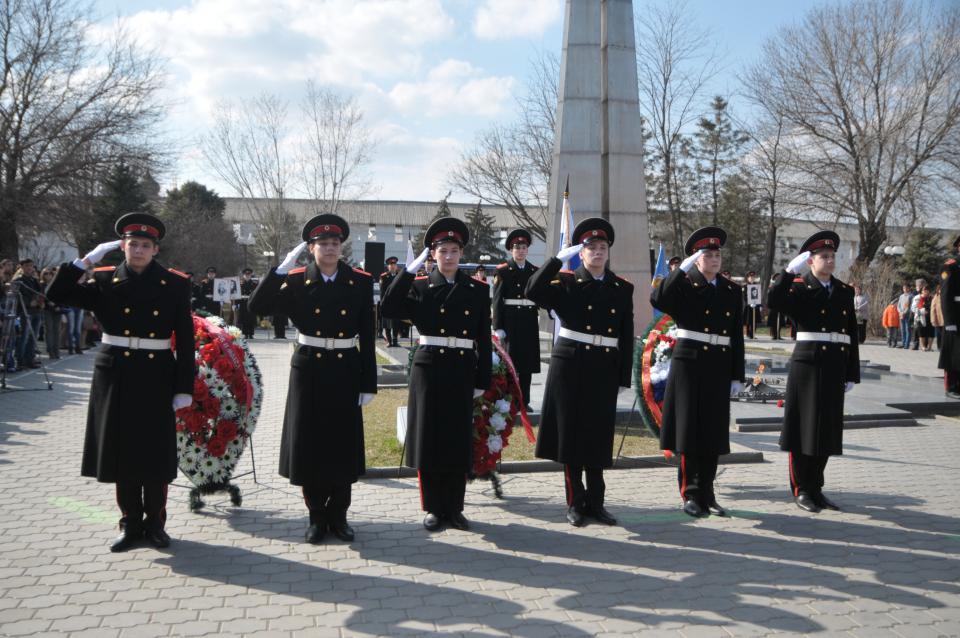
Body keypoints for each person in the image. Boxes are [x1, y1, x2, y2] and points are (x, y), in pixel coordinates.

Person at [44, 212, 195, 551]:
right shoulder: (103, 279)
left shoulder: (174, 283)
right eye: (132, 244)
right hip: (115, 373)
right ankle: (130, 523)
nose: (138, 250)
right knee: (121, 451)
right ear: (122, 247)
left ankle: (155, 523)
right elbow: (57, 294)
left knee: (154, 453)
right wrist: (85, 262)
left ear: (155, 249)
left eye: (145, 245)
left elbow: (186, 340)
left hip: (156, 373)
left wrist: (184, 386)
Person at [248, 214, 376, 543]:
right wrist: (278, 270)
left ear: (341, 247)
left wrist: (368, 383)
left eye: (335, 243)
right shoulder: (296, 280)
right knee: (310, 444)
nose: (330, 248)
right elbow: (257, 306)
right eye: (323, 244)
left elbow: (367, 334)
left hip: (345, 368)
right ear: (311, 248)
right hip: (309, 369)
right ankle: (317, 516)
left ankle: (340, 515)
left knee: (342, 444)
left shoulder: (359, 281)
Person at [380, 217, 491, 532]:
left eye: (454, 250)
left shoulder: (477, 289)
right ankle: (432, 507)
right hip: (429, 367)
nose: (449, 256)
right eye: (443, 251)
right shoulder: (419, 286)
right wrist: (407, 272)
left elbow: (483, 337)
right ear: (433, 254)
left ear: (461, 253)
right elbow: (388, 308)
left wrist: (482, 378)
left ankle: (454, 508)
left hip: (461, 367)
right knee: (428, 437)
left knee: (456, 438)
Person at [526, 218, 634, 527]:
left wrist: (623, 376)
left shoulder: (621, 287)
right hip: (571, 364)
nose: (598, 252)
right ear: (581, 253)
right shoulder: (565, 282)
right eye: (591, 247)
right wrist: (555, 261)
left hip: (604, 365)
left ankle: (597, 504)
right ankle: (575, 501)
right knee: (570, 434)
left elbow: (626, 334)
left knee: (598, 435)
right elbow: (531, 290)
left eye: (602, 247)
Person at [651, 227, 745, 517]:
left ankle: (708, 492)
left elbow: (736, 336)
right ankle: (690, 493)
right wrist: (681, 270)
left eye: (717, 255)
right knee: (689, 431)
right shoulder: (684, 284)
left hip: (718, 363)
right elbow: (658, 299)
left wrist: (737, 375)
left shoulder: (731, 290)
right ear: (696, 258)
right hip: (689, 363)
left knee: (713, 432)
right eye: (708, 255)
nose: (714, 259)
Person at [767, 230, 859, 513]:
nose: (830, 261)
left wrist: (851, 372)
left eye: (832, 256)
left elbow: (851, 333)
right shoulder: (799, 288)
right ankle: (802, 489)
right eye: (824, 257)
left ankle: (817, 488)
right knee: (803, 428)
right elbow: (773, 301)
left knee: (827, 429)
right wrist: (787, 273)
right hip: (807, 365)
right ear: (810, 261)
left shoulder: (844, 291)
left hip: (834, 364)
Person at [492, 229, 541, 412]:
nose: (520, 251)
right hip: (510, 322)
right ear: (511, 250)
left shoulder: (534, 271)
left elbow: (540, 295)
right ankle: (508, 400)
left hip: (528, 321)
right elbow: (497, 300)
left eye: (523, 247)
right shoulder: (503, 271)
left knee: (527, 364)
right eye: (517, 248)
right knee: (510, 363)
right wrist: (498, 326)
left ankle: (524, 401)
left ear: (527, 250)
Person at [939, 236, 960, 399]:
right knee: (953, 353)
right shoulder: (951, 266)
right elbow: (945, 296)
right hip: (955, 317)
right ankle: (952, 387)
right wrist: (949, 322)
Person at [13, 259, 43, 369]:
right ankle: (20, 360)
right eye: (27, 266)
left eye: (31, 266)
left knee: (33, 337)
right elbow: (17, 296)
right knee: (24, 337)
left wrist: (40, 302)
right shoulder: (18, 281)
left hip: (36, 311)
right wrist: (29, 302)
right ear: (22, 267)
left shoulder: (34, 280)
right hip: (25, 312)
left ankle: (30, 359)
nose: (30, 268)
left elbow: (40, 293)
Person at [40, 267, 63, 360]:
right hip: (47, 309)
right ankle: (50, 351)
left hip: (57, 309)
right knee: (49, 330)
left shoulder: (57, 284)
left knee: (57, 331)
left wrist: (57, 305)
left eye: (50, 273)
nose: (48, 275)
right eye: (45, 273)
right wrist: (48, 303)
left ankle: (57, 351)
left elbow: (61, 296)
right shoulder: (42, 285)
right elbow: (41, 296)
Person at [379, 257, 400, 346]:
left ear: (396, 266)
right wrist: (383, 303)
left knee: (396, 323)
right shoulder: (384, 276)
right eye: (391, 265)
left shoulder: (399, 275)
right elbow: (382, 292)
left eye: (394, 265)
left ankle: (395, 341)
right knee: (387, 324)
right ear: (388, 266)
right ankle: (389, 341)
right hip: (387, 303)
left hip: (397, 303)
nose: (393, 266)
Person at [235, 268, 257, 339]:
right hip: (243, 303)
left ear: (250, 275)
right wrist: (236, 304)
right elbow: (237, 295)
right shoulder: (240, 284)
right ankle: (245, 333)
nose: (247, 276)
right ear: (243, 275)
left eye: (249, 274)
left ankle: (251, 333)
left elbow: (256, 294)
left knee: (251, 318)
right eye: (246, 274)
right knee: (244, 318)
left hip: (251, 302)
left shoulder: (254, 284)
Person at [742, 271, 762, 339]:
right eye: (750, 277)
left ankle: (753, 334)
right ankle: (748, 333)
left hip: (755, 305)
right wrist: (749, 303)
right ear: (747, 278)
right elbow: (744, 296)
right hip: (748, 306)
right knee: (748, 321)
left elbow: (759, 295)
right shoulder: (745, 286)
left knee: (754, 321)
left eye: (753, 277)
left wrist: (759, 305)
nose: (752, 278)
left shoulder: (757, 286)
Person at [915, 285, 934, 351]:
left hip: (931, 317)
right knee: (921, 332)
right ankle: (923, 346)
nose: (925, 291)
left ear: (929, 291)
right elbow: (916, 307)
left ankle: (929, 347)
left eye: (926, 290)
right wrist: (922, 310)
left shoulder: (932, 298)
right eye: (924, 290)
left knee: (931, 332)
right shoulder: (919, 298)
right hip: (922, 317)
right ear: (922, 291)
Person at [909, 279, 926, 350]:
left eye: (919, 285)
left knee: (923, 330)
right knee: (916, 330)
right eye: (917, 285)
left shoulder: (926, 293)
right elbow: (912, 306)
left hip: (925, 315)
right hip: (916, 314)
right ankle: (915, 344)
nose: (917, 287)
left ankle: (924, 345)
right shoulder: (914, 294)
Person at [896, 283, 913, 349]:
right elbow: (898, 305)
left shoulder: (910, 296)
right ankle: (903, 343)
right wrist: (900, 312)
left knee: (907, 329)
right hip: (901, 315)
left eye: (906, 288)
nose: (905, 289)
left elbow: (909, 306)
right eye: (904, 288)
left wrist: (904, 313)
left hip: (907, 315)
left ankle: (907, 344)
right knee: (902, 329)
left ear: (909, 288)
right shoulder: (901, 296)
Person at [931, 284, 944, 351]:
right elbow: (932, 309)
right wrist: (933, 319)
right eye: (940, 289)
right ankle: (939, 347)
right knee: (939, 334)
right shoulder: (936, 297)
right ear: (938, 290)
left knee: (945, 334)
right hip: (938, 319)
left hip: (945, 319)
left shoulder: (946, 296)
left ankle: (944, 346)